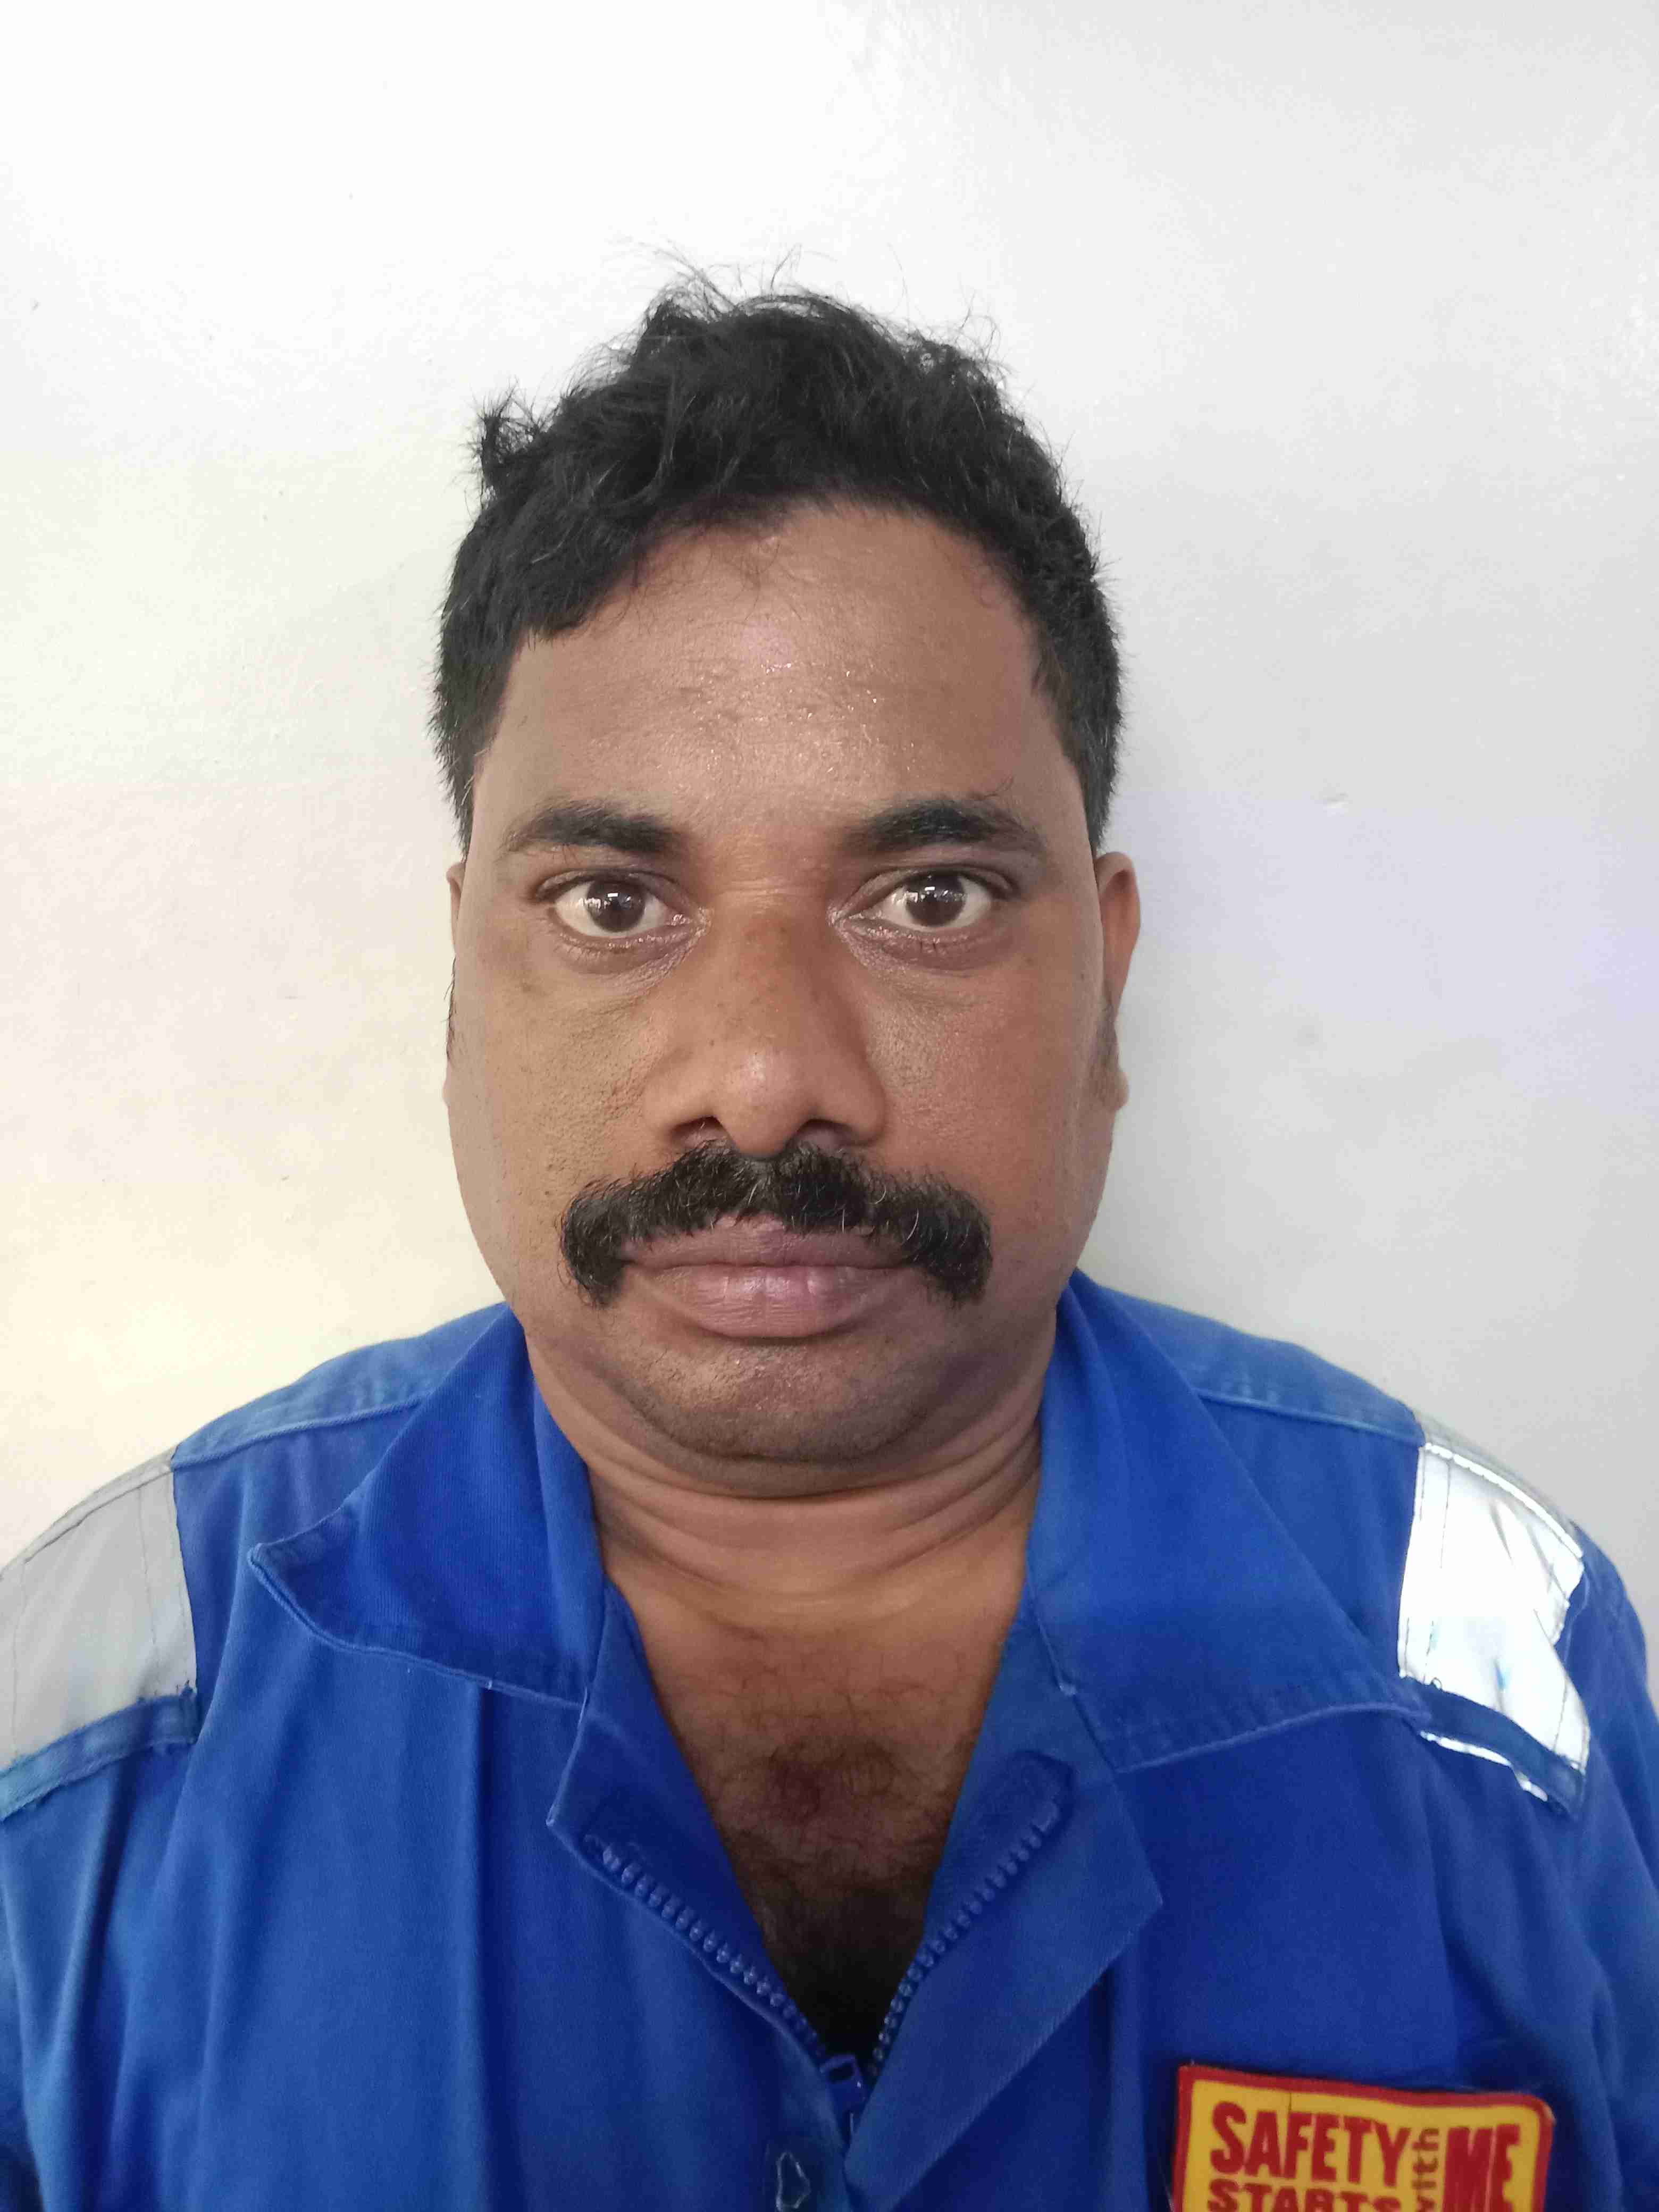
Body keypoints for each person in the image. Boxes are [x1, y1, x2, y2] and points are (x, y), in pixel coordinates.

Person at [2, 274, 1655, 2212]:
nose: (770, 1080)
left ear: (1109, 982)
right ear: (461, 981)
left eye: (929, 897)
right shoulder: (94, 1722)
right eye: (614, 904)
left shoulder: (1495, 1670)